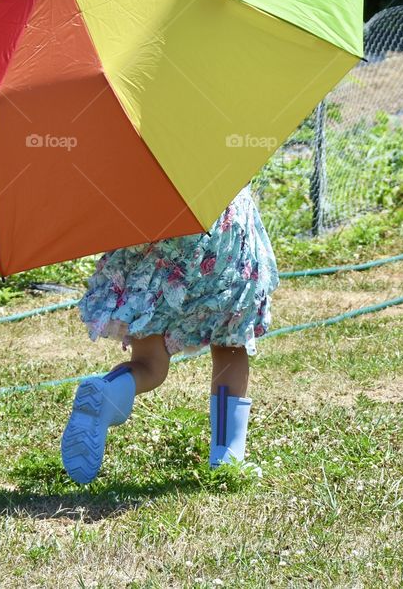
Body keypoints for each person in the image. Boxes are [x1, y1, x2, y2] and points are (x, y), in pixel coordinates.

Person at [61, 184, 278, 484]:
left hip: (154, 222)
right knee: (230, 343)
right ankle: (227, 458)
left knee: (150, 364)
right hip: (222, 227)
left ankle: (108, 390)